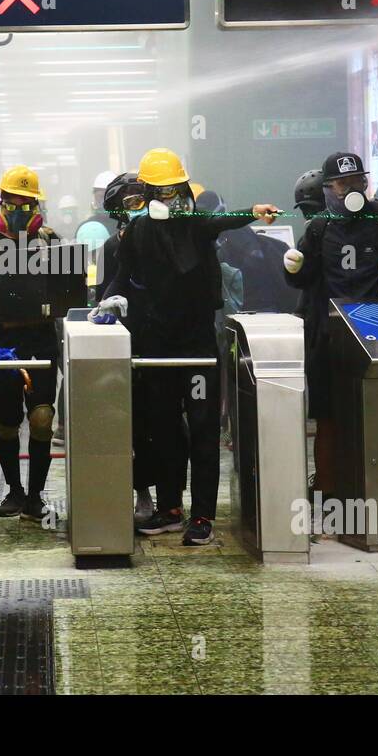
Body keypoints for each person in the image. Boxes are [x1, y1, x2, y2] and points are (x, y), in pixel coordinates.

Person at [96, 149, 279, 546]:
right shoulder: (136, 234)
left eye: (176, 190)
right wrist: (109, 300)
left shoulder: (196, 225)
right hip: (157, 344)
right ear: (146, 192)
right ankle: (170, 507)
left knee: (202, 430)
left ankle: (202, 515)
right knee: (163, 428)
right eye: (162, 192)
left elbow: (220, 220)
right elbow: (121, 278)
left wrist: (254, 210)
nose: (171, 199)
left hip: (198, 343)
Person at [281, 152, 378, 502]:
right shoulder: (319, 228)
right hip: (330, 339)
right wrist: (294, 267)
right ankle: (329, 491)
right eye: (343, 183)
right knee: (329, 419)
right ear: (330, 188)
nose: (352, 189)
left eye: (358, 181)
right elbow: (303, 281)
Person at [0, 164, 63, 522]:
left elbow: (64, 296)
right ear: (1, 202)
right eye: (12, 201)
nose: (18, 209)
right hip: (3, 341)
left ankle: (36, 496)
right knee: (7, 421)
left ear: (37, 206)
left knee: (41, 418)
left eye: (26, 203)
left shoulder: (51, 241)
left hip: (41, 340)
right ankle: (14, 491)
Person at [98, 172, 176, 525]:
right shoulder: (112, 248)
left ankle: (171, 499)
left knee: (169, 423)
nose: (137, 208)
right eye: (129, 202)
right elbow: (103, 292)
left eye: (141, 199)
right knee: (134, 421)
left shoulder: (168, 236)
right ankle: (142, 492)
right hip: (128, 343)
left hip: (164, 338)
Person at [196, 188, 299, 315]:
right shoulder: (233, 234)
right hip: (254, 306)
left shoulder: (232, 234)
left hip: (251, 307)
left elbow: (254, 263)